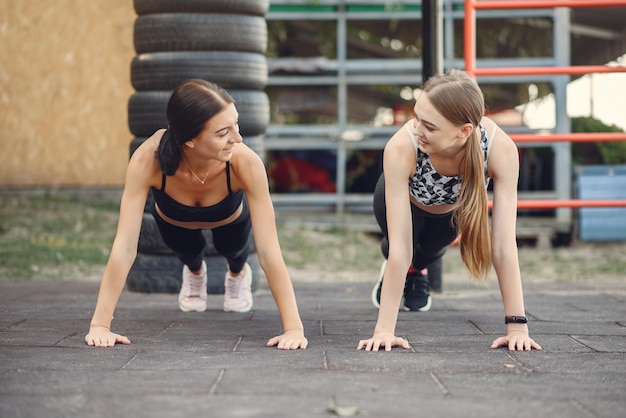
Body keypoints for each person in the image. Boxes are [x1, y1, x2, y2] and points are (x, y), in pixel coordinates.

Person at [85, 79, 307, 350]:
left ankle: (237, 275)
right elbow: (125, 246)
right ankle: (194, 271)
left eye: (236, 124)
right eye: (223, 132)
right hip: (174, 219)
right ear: (190, 140)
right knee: (188, 251)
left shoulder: (245, 162)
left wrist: (293, 329)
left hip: (228, 217)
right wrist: (100, 326)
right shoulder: (147, 160)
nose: (237, 138)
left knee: (235, 250)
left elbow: (269, 251)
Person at [357, 70, 542, 352]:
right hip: (401, 200)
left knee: (430, 252)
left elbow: (504, 245)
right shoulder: (401, 146)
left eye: (429, 126)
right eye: (416, 117)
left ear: (464, 131)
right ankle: (403, 272)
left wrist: (517, 326)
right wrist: (384, 332)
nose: (417, 129)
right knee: (396, 248)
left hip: (449, 212)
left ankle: (417, 270)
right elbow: (401, 248)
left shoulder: (499, 149)